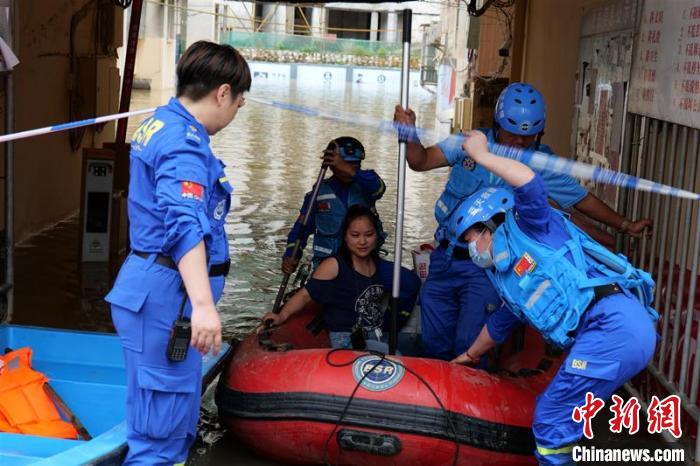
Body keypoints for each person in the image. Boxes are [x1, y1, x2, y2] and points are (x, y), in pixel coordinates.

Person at [393, 82, 652, 361]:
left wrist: (625, 225)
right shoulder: (469, 143)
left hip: (490, 269)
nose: (519, 142)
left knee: (470, 346)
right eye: (512, 134)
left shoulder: (542, 164)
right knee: (433, 343)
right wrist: (409, 134)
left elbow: (581, 200)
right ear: (497, 124)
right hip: (445, 257)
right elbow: (420, 161)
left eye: (528, 137)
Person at [450, 130, 658, 466]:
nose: (471, 247)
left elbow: (531, 185)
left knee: (551, 417)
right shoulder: (512, 275)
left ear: (492, 224)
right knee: (563, 418)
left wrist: (484, 155)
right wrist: (468, 357)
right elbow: (502, 322)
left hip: (613, 325)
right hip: (616, 332)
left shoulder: (532, 225)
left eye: (473, 237)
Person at [105, 41, 250, 465]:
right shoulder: (183, 142)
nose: (236, 112)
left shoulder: (162, 122)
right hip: (167, 301)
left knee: (173, 426)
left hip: (162, 297)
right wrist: (204, 305)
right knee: (159, 440)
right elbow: (183, 223)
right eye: (239, 102)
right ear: (222, 93)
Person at [281, 137, 421, 348]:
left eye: (356, 163)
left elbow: (379, 188)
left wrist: (351, 170)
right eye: (347, 163)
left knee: (409, 283)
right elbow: (300, 231)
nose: (352, 167)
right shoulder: (319, 192)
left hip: (367, 264)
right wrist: (290, 257)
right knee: (345, 299)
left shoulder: (367, 184)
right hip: (333, 267)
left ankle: (384, 329)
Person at [263, 205, 391, 353]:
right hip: (346, 338)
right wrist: (282, 316)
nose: (362, 242)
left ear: (377, 235)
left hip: (376, 332)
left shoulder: (377, 264)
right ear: (345, 236)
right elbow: (305, 295)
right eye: (355, 235)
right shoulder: (333, 265)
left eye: (369, 234)